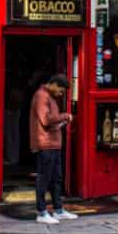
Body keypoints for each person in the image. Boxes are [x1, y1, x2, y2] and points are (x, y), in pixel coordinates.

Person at [30, 74, 77, 224]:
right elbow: (45, 119)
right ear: (54, 84)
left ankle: (58, 210)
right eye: (60, 90)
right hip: (45, 143)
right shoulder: (41, 96)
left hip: (54, 143)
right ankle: (42, 212)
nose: (60, 94)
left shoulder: (50, 97)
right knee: (44, 179)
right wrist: (64, 116)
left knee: (56, 178)